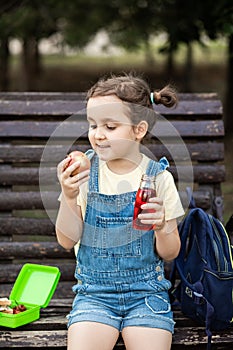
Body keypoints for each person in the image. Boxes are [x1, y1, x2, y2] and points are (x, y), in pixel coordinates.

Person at [56, 73, 184, 350]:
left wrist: (162, 226)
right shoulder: (83, 173)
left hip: (146, 295)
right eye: (92, 125)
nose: (98, 134)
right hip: (94, 296)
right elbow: (66, 240)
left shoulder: (158, 179)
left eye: (110, 126)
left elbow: (171, 252)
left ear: (138, 130)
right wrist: (68, 196)